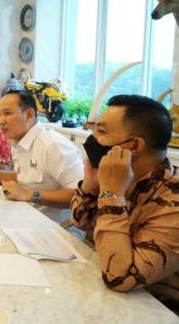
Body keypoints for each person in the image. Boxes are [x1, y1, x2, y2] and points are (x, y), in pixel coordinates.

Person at [70, 95, 179, 312]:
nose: (92, 138)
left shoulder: (172, 200)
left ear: (134, 145)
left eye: (102, 131)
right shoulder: (120, 173)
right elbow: (81, 221)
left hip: (155, 309)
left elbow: (119, 277)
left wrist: (112, 195)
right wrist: (91, 181)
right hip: (107, 294)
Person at [0, 91, 83, 222]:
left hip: (51, 225)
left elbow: (79, 196)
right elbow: (23, 177)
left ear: (29, 115)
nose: (1, 121)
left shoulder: (53, 146)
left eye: (7, 113)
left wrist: (28, 194)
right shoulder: (17, 140)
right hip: (21, 214)